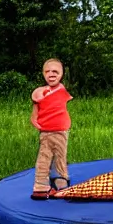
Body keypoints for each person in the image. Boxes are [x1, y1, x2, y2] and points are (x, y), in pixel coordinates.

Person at [30, 58, 73, 200]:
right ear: (43, 74)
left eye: (55, 71)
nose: (51, 74)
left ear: (61, 74)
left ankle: (60, 180)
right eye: (47, 71)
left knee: (60, 155)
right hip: (46, 131)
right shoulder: (39, 92)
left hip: (61, 130)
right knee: (44, 157)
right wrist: (34, 119)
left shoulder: (61, 89)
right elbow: (35, 110)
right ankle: (40, 186)